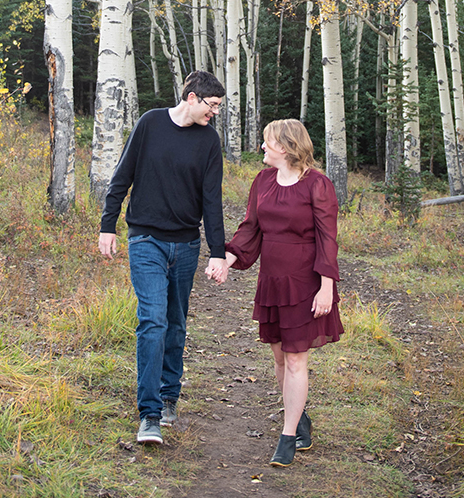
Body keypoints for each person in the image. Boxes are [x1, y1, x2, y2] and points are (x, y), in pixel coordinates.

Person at [98, 70, 229, 446]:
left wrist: (218, 252)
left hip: (185, 246)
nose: (214, 113)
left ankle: (170, 394)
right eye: (212, 105)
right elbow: (121, 177)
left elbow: (212, 201)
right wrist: (108, 224)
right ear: (191, 97)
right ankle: (150, 414)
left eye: (218, 107)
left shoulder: (209, 141)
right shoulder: (150, 124)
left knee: (175, 323)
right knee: (152, 320)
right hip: (146, 240)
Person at [219, 118, 344, 466]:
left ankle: (287, 437)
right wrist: (226, 259)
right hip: (272, 280)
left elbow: (327, 239)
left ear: (286, 147)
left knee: (295, 358)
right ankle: (299, 416)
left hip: (305, 281)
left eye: (267, 142)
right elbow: (249, 230)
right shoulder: (262, 181)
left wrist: (327, 286)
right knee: (278, 357)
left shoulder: (317, 184)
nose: (262, 147)